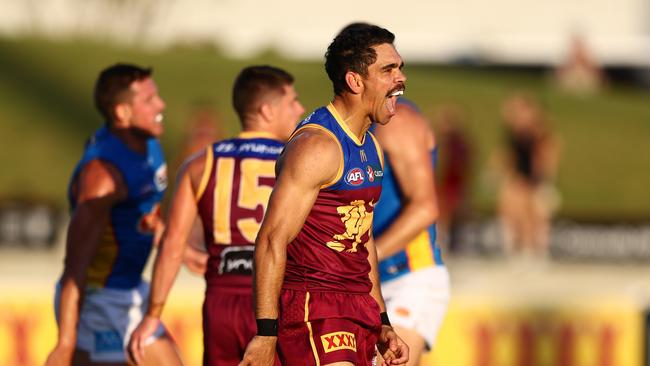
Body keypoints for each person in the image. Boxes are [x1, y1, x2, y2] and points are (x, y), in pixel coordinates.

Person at [240, 23, 409, 366]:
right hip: (313, 307)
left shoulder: (370, 145)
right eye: (388, 70)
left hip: (357, 306)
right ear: (355, 81)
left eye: (400, 68)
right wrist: (266, 332)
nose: (401, 78)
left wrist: (383, 321)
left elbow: (362, 241)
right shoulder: (317, 146)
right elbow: (272, 240)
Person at [128, 65, 305, 366]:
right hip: (276, 302)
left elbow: (173, 245)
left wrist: (152, 316)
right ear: (267, 110)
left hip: (221, 303)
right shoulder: (300, 161)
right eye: (292, 101)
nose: (300, 109)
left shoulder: (201, 163)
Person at [45, 63, 183, 366]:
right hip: (98, 301)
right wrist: (66, 342)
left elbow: (142, 212)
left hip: (132, 290)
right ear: (122, 112)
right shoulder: (101, 177)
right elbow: (75, 266)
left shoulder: (149, 145)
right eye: (149, 100)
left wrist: (176, 245)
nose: (161, 105)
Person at [372, 99, 450, 366]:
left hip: (408, 275)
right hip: (368, 285)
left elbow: (425, 208)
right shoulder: (339, 127)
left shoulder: (398, 120)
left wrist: (366, 257)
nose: (399, 78)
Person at [497, 93, 561, 258]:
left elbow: (547, 156)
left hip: (535, 179)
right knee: (511, 208)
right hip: (520, 178)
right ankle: (517, 247)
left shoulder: (539, 132)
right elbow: (509, 156)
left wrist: (546, 181)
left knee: (535, 215)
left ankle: (535, 249)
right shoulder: (514, 133)